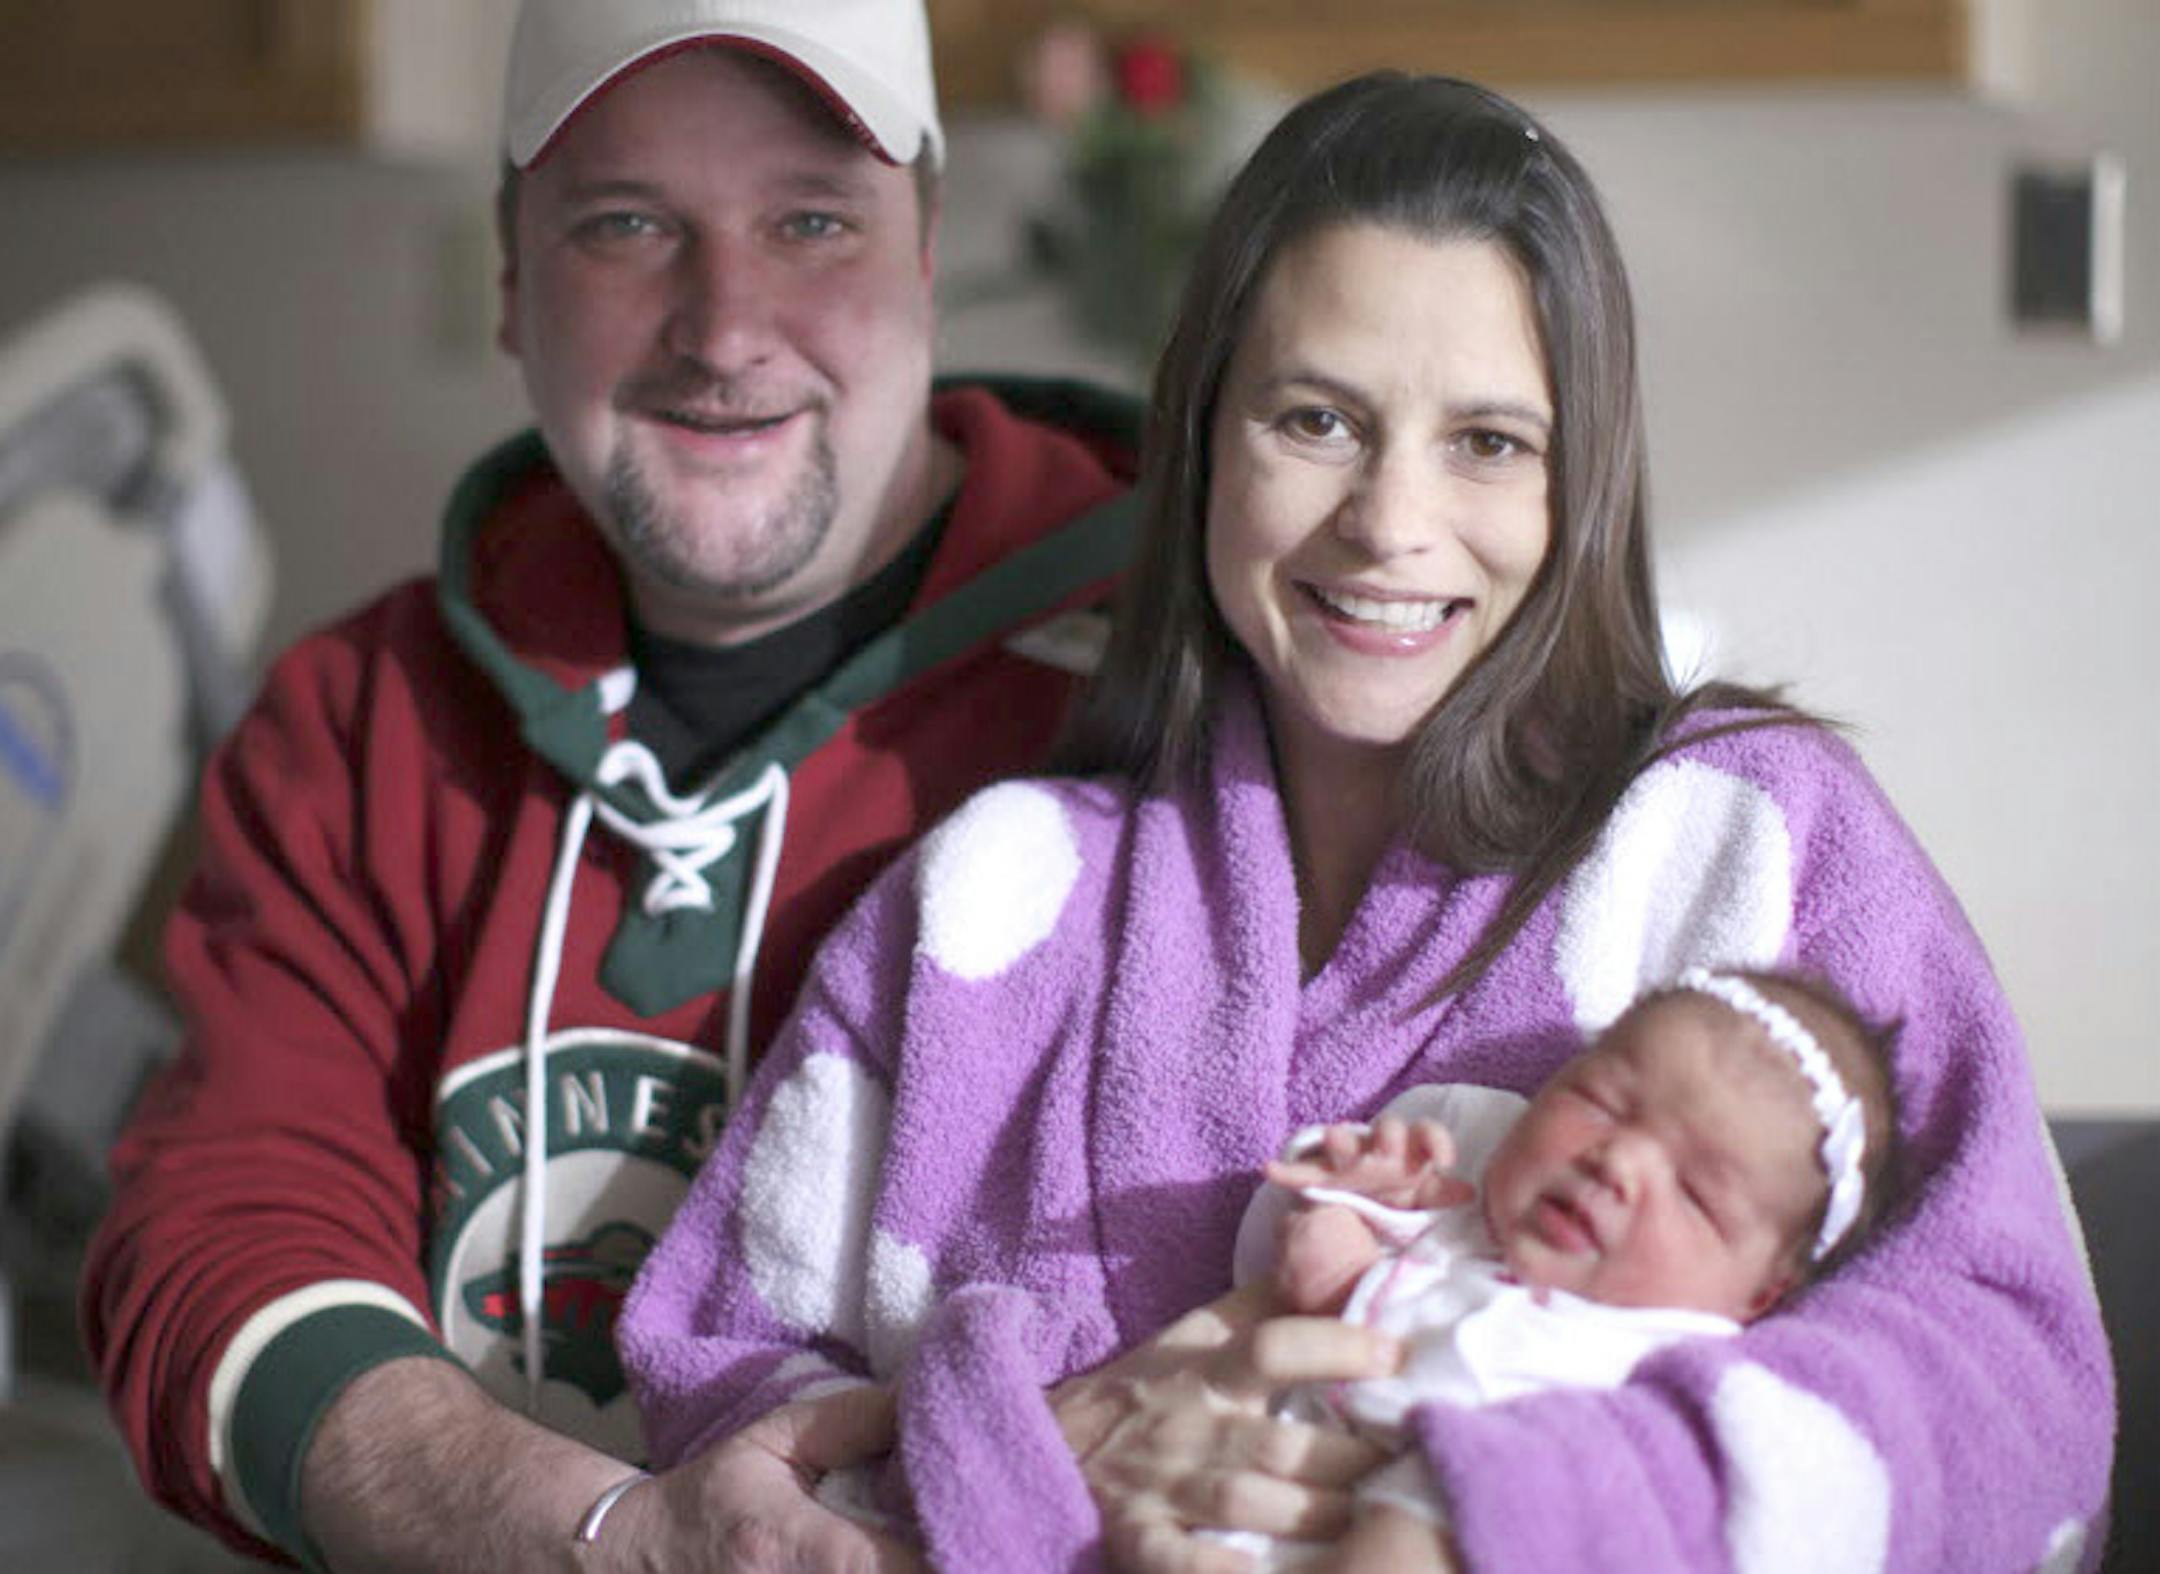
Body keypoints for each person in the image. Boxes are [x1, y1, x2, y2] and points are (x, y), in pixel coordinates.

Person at [616, 71, 2114, 1573]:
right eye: (1318, 419)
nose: (1391, 523)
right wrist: (1027, 1462)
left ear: (1579, 482)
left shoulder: (1748, 839)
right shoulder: (986, 899)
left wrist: (1528, 1510)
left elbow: (2012, 1382)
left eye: (1488, 442)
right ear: (1206, 436)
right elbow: (718, 1375)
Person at [78, 2, 1145, 1568]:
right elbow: (216, 1234)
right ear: (513, 282)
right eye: (628, 223)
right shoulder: (357, 724)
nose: (725, 327)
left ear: (923, 250)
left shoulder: (1182, 676)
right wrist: (603, 1536)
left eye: (810, 219)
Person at [1222, 966, 1899, 1570]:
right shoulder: (1460, 1198)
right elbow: (1259, 1252)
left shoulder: (1662, 1379)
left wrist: (1347, 1289)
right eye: (1601, 1104)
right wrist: (1349, 1198)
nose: (1620, 1162)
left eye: (1696, 1193)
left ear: (1759, 1294)